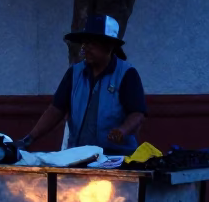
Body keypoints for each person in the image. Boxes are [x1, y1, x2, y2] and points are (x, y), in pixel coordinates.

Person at [19, 14, 147, 156]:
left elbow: (137, 114)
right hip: (80, 156)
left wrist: (122, 131)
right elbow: (56, 110)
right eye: (84, 43)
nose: (85, 48)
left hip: (116, 157)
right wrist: (30, 138)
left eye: (92, 43)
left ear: (109, 46)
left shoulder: (127, 74)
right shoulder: (74, 73)